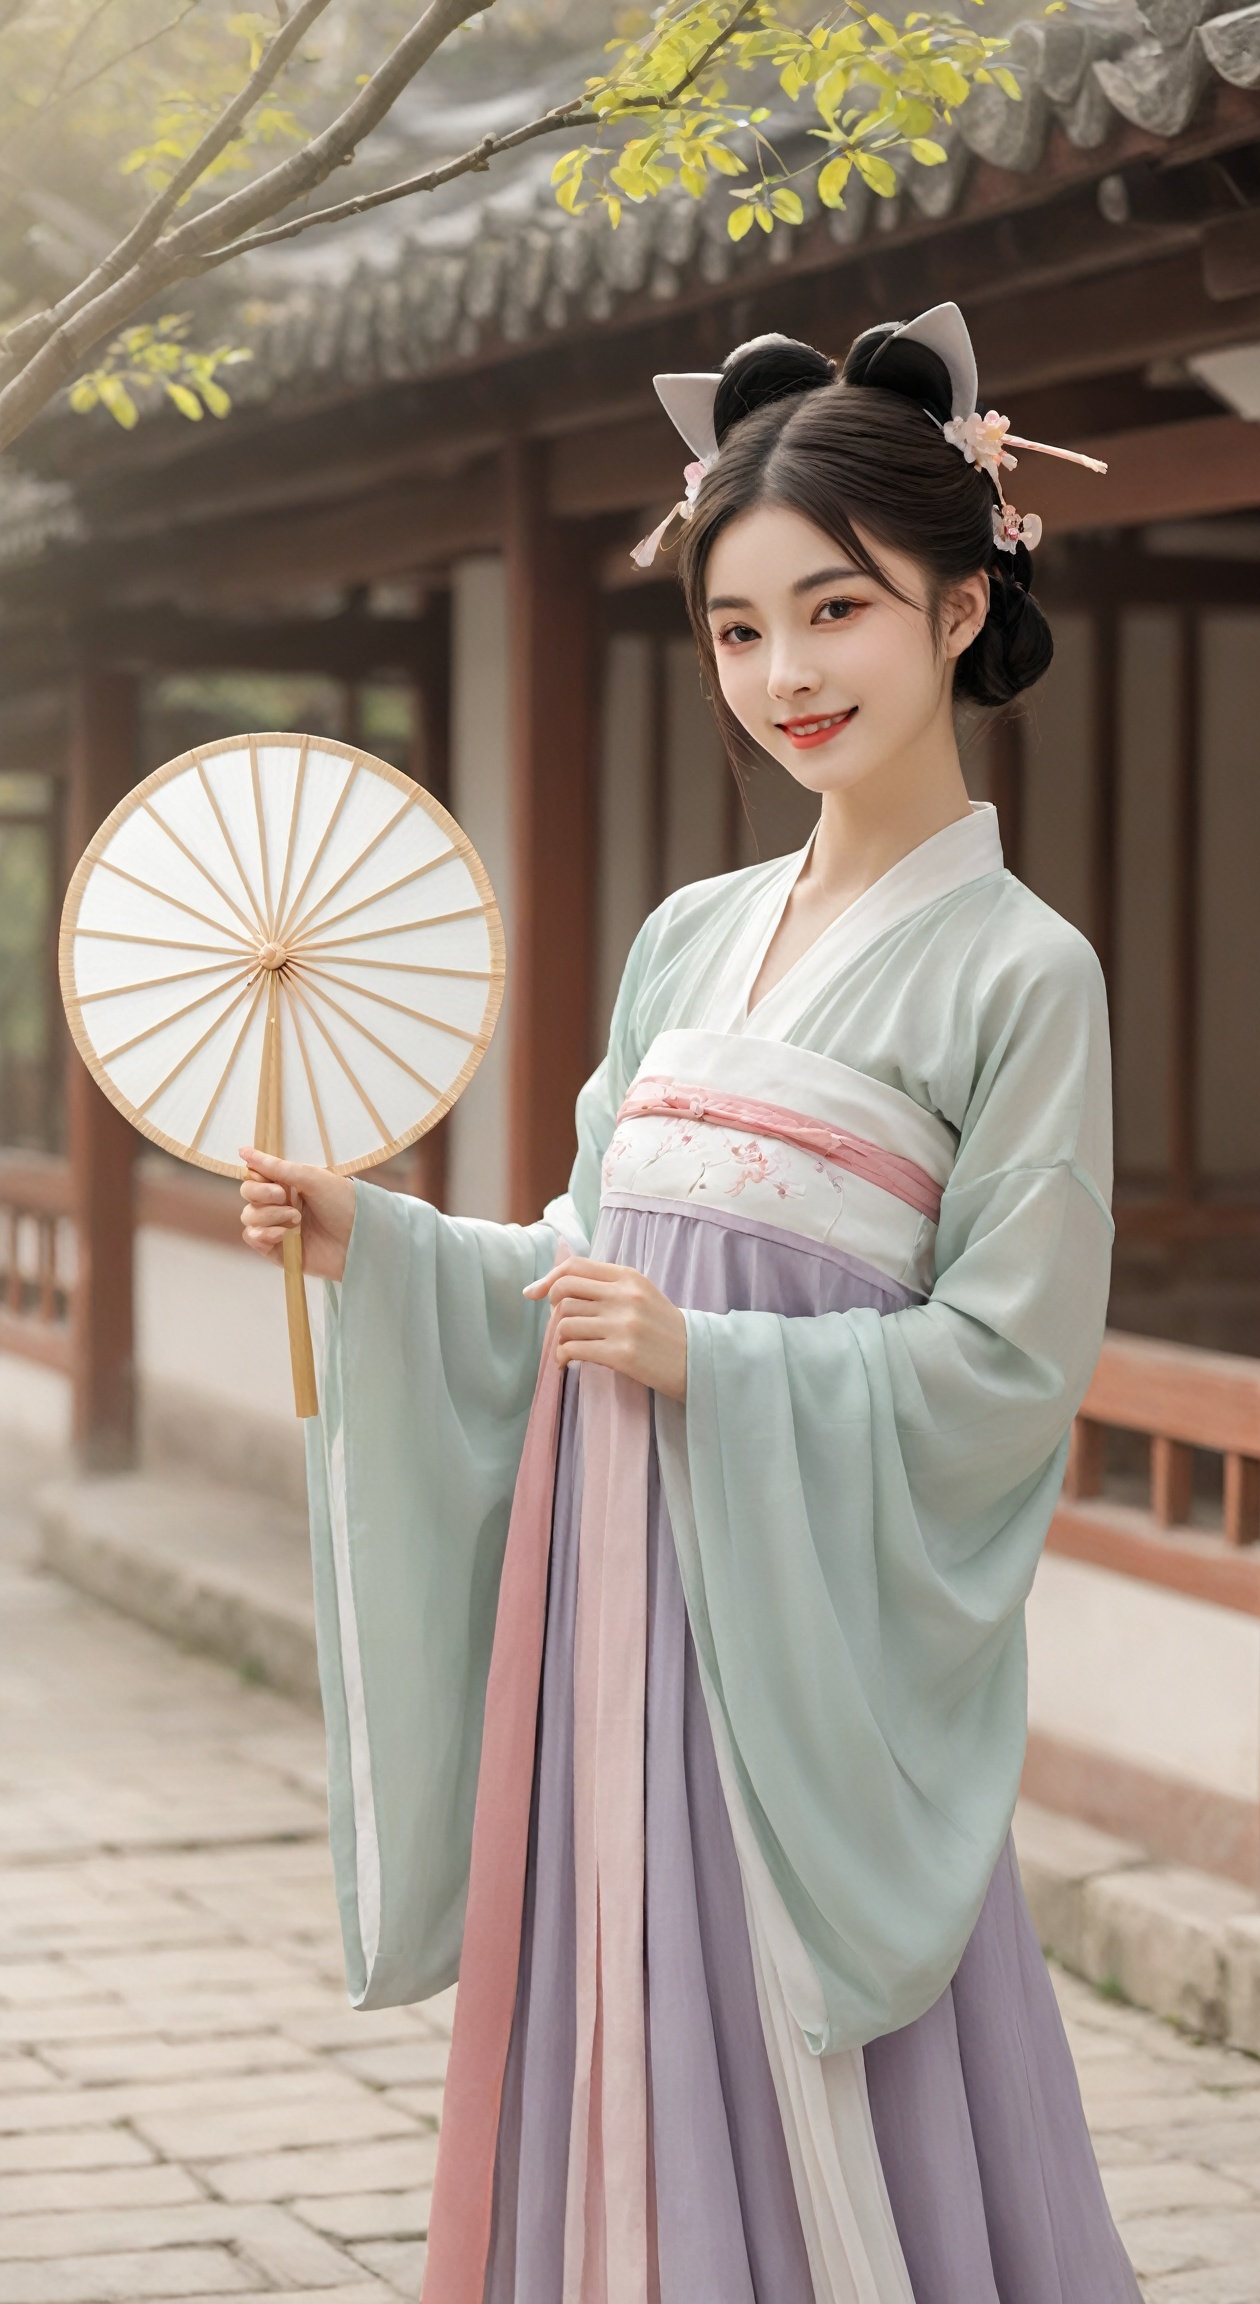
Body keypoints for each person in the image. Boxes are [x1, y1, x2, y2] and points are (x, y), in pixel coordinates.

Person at [239, 302, 1142, 2304]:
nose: (787, 675)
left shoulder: (1021, 974)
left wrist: (714, 1362)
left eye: (836, 611)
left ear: (964, 594)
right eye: (739, 630)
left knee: (799, 2056)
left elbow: (1008, 1369)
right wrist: (373, 1240)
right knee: (618, 2030)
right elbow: (590, 1252)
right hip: (608, 1593)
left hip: (791, 1637)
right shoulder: (689, 938)